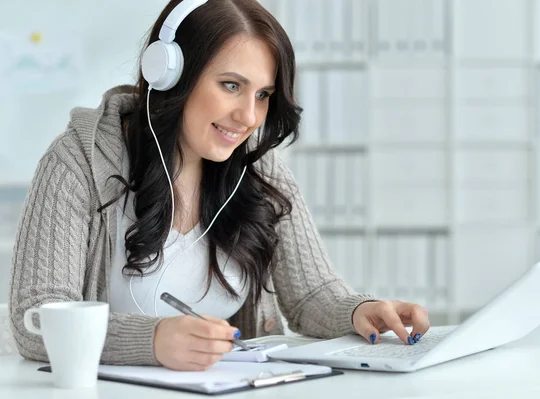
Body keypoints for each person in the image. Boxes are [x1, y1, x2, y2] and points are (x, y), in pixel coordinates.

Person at [9, 0, 430, 372]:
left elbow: (310, 296)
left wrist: (361, 311)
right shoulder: (78, 162)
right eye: (231, 86)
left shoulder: (260, 168)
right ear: (173, 75)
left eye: (263, 94)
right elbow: (36, 319)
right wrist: (152, 341)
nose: (249, 117)